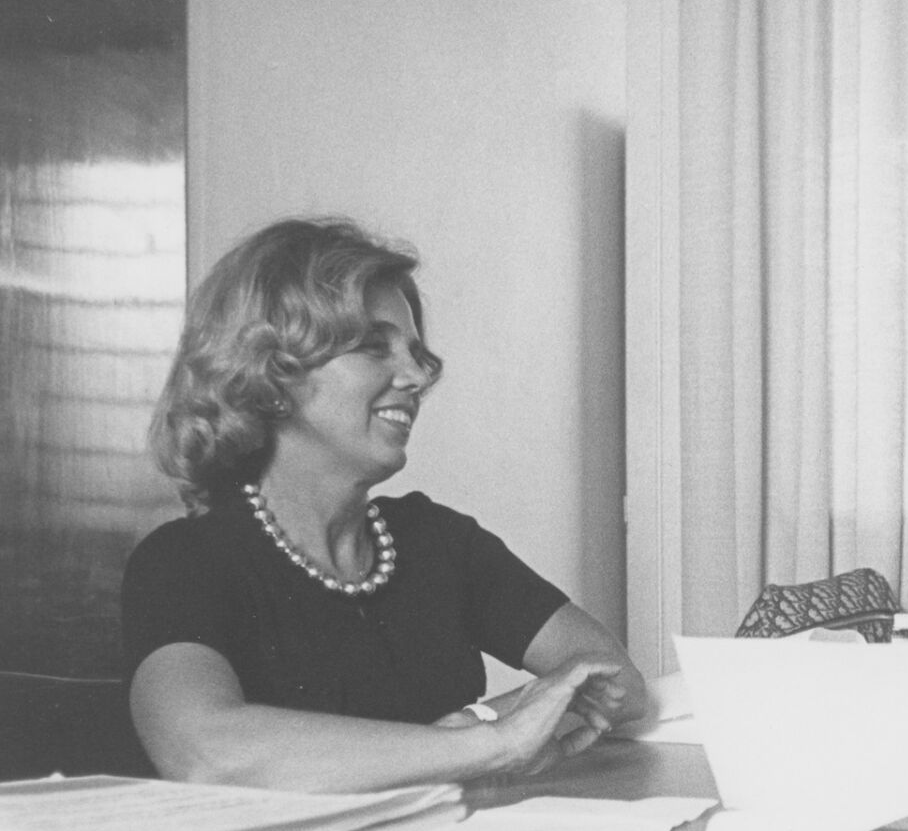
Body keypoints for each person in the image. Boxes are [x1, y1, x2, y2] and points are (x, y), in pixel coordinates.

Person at [124, 217, 649, 792]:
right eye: (375, 347)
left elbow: (612, 677)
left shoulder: (438, 540)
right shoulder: (185, 561)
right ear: (271, 374)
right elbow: (206, 753)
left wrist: (475, 724)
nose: (417, 375)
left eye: (415, 351)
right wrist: (488, 744)